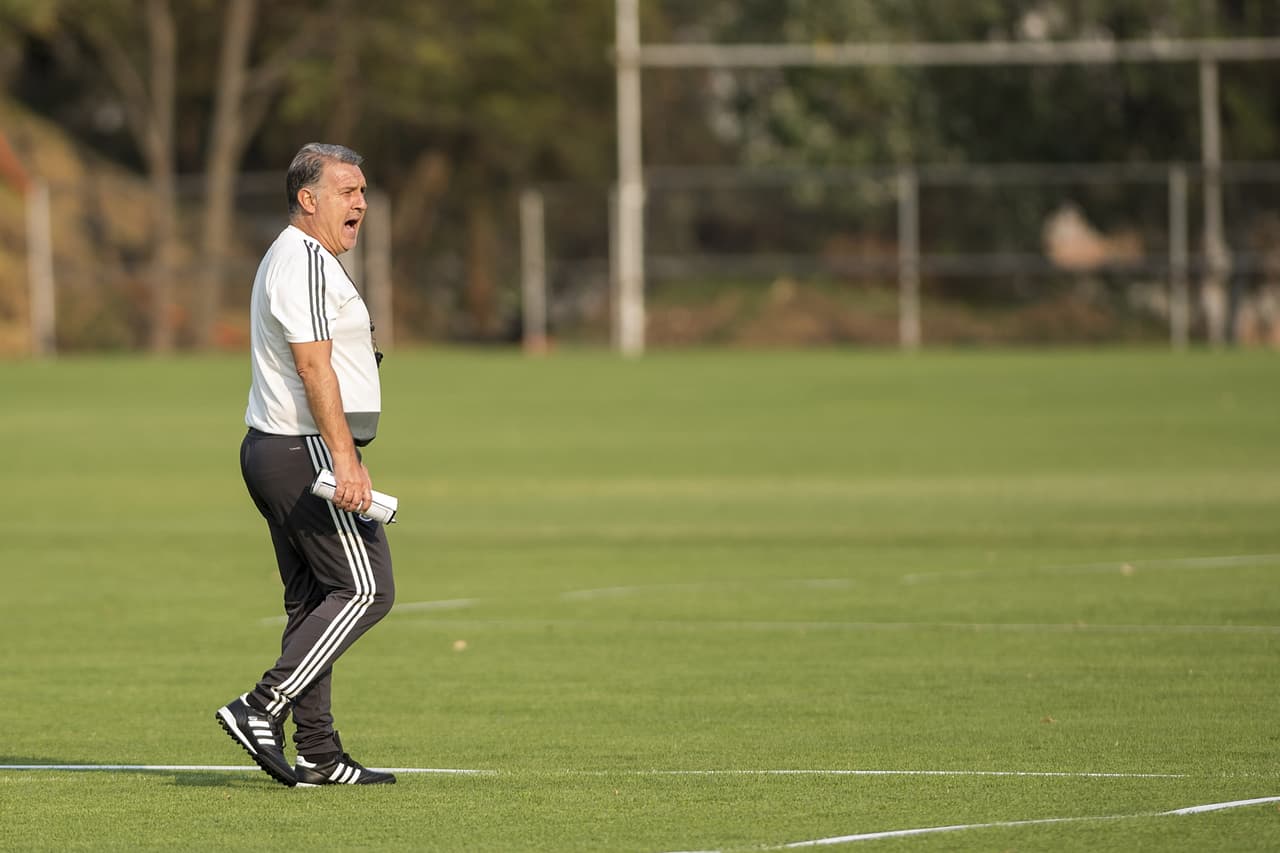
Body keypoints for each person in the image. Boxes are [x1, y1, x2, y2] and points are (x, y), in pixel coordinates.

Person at [216, 143, 395, 787]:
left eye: (363, 191)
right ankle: (261, 706)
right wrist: (346, 461)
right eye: (348, 191)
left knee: (314, 601)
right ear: (307, 198)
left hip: (278, 450)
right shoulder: (305, 261)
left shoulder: (297, 256)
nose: (361, 203)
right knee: (366, 590)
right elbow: (313, 366)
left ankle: (317, 752)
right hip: (303, 450)